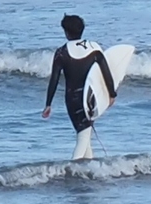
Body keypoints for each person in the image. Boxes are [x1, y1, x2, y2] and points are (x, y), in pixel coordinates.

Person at [42, 14, 117, 161]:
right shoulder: (94, 48)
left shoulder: (61, 52)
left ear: (66, 32)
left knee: (84, 134)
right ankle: (72, 170)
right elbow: (106, 73)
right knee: (84, 135)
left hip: (72, 100)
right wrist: (111, 94)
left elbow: (54, 79)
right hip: (90, 98)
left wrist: (48, 104)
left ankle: (87, 170)